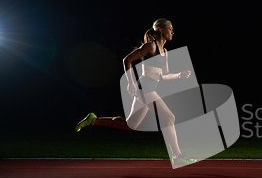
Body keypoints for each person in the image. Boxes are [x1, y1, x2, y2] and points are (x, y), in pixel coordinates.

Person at [75, 18, 196, 166]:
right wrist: (131, 83)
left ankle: (94, 120)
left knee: (130, 124)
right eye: (170, 28)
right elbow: (127, 60)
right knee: (169, 117)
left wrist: (179, 75)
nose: (173, 31)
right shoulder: (150, 47)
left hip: (148, 89)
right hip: (144, 87)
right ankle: (177, 155)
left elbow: (164, 75)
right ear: (161, 30)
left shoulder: (164, 51)